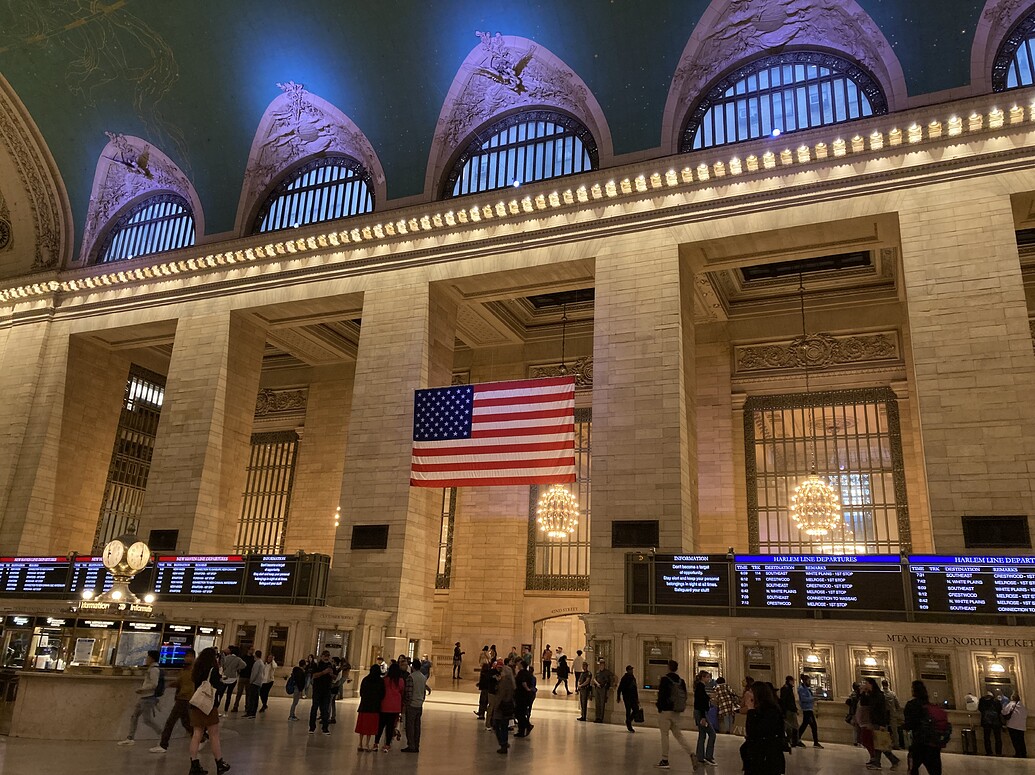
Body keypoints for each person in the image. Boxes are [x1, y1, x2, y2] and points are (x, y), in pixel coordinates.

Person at [187, 647, 231, 775]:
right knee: (214, 734)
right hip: (209, 706)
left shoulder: (196, 670)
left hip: (196, 704)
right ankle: (219, 762)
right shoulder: (213, 670)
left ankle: (194, 764)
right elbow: (218, 686)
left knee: (197, 734)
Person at [152, 649, 195, 753]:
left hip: (186, 699)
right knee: (186, 722)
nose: (187, 658)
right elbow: (180, 682)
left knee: (170, 722)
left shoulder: (195, 670)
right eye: (186, 656)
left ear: (194, 657)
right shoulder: (184, 669)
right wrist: (171, 684)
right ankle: (201, 738)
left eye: (190, 656)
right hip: (181, 698)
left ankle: (163, 745)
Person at [118, 649, 165, 745]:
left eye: (148, 657)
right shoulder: (151, 669)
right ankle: (130, 737)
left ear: (152, 659)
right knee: (134, 716)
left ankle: (163, 734)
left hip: (148, 697)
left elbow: (154, 684)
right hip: (144, 697)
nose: (146, 659)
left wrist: (143, 689)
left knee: (147, 720)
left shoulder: (154, 670)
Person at [740, 680, 786, 775]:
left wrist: (751, 710)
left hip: (766, 758)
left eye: (751, 692)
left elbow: (755, 731)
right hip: (757, 757)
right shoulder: (758, 710)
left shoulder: (771, 711)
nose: (748, 694)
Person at [655, 659, 694, 769]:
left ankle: (665, 759)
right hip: (676, 712)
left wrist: (659, 707)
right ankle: (691, 752)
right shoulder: (681, 681)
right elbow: (685, 696)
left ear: (668, 667)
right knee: (678, 735)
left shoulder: (665, 679)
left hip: (665, 711)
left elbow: (661, 695)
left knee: (665, 735)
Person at [855, 676, 900, 770]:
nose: (864, 685)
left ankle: (889, 761)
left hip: (878, 722)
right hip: (874, 722)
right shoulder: (872, 694)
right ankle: (880, 762)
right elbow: (863, 703)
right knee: (878, 743)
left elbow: (881, 710)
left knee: (879, 743)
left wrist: (882, 724)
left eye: (866, 683)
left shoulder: (878, 695)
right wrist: (862, 693)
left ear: (870, 684)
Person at [902, 679, 943, 775]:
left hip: (919, 743)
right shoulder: (930, 705)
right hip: (933, 744)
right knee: (935, 771)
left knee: (913, 769)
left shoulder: (912, 705)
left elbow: (909, 724)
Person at [401, 655, 430, 753]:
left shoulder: (411, 677)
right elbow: (423, 691)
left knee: (410, 726)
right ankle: (416, 745)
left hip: (412, 705)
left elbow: (409, 692)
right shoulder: (423, 678)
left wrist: (406, 704)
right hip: (419, 705)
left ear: (413, 667)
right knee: (417, 727)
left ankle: (411, 745)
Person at [375, 660, 405, 752]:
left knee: (380, 726)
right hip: (395, 707)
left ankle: (376, 743)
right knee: (390, 727)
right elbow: (401, 691)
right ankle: (387, 744)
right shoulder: (400, 681)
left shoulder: (385, 680)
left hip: (384, 705)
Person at [355, 665, 385, 753]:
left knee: (362, 725)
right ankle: (367, 744)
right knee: (370, 726)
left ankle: (360, 743)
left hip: (364, 706)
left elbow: (361, 692)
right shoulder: (380, 681)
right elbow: (382, 694)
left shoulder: (365, 679)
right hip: (374, 707)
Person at [492, 658, 516, 754]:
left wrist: (496, 707)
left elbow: (500, 696)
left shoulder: (504, 682)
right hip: (508, 706)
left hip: (501, 707)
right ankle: (504, 743)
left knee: (497, 726)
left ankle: (503, 744)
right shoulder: (511, 682)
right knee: (505, 727)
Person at [694, 670, 717, 766]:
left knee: (702, 734)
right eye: (707, 677)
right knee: (712, 734)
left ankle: (700, 756)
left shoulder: (700, 687)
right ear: (703, 677)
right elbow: (701, 703)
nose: (709, 679)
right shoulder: (700, 687)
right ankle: (708, 756)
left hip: (699, 712)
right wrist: (703, 717)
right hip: (701, 713)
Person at [308, 650, 334, 735]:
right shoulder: (317, 665)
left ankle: (325, 728)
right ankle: (312, 727)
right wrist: (323, 672)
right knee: (314, 708)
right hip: (317, 690)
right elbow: (314, 675)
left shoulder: (331, 666)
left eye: (328, 656)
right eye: (325, 656)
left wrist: (331, 674)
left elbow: (335, 677)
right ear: (322, 656)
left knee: (325, 709)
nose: (326, 658)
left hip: (327, 690)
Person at [215, 646, 245, 715]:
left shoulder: (226, 658)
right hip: (233, 678)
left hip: (225, 677)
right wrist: (236, 668)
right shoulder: (238, 659)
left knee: (221, 694)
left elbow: (221, 665)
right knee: (229, 695)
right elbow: (244, 665)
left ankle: (217, 708)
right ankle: (226, 710)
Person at [797, 674, 822, 747]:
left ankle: (798, 738)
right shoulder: (801, 689)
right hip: (806, 709)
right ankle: (815, 742)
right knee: (811, 725)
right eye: (808, 681)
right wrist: (812, 699)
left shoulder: (807, 689)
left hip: (809, 708)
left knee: (808, 725)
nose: (809, 682)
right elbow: (803, 699)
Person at [514, 660, 537, 738]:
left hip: (521, 696)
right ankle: (522, 730)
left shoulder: (522, 673)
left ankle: (526, 726)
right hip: (526, 696)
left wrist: (527, 689)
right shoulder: (528, 673)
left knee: (519, 712)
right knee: (522, 713)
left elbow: (523, 682)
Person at [978, 690, 1004, 756]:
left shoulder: (982, 701)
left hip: (986, 721)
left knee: (986, 737)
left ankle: (989, 751)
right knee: (997, 738)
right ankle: (998, 752)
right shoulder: (996, 701)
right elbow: (999, 710)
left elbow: (980, 709)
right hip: (996, 721)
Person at [1003, 692, 1028, 758]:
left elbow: (1004, 712)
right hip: (1021, 726)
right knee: (1021, 740)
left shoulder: (1011, 704)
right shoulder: (1022, 705)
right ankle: (1023, 753)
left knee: (1015, 740)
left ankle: (1018, 753)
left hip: (1012, 725)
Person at [616, 664, 639, 732]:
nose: (632, 671)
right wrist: (618, 696)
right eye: (630, 669)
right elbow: (620, 688)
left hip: (633, 697)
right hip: (627, 697)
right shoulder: (625, 678)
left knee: (636, 709)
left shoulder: (633, 677)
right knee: (628, 710)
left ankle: (628, 720)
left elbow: (635, 689)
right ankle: (629, 725)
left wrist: (637, 698)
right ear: (628, 670)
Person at [230, 646, 254, 713]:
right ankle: (235, 706)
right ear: (248, 650)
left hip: (249, 677)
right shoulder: (243, 657)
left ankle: (247, 707)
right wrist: (239, 672)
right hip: (242, 676)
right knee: (239, 692)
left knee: (248, 693)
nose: (252, 651)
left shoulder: (253, 658)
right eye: (251, 649)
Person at [779, 675, 799, 747]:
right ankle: (793, 741)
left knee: (791, 726)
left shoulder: (788, 688)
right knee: (792, 726)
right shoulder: (786, 689)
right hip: (789, 710)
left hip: (790, 709)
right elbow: (785, 701)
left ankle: (793, 740)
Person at [883, 679, 903, 749]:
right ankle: (896, 744)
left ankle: (885, 744)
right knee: (894, 730)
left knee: (884, 730)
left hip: (884, 714)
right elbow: (897, 704)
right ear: (888, 685)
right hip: (892, 713)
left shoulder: (881, 693)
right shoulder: (892, 694)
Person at [243, 649, 263, 718]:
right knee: (255, 698)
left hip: (255, 682)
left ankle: (251, 712)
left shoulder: (257, 663)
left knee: (252, 698)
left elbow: (255, 673)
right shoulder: (261, 662)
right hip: (258, 682)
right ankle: (252, 712)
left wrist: (251, 681)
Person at [593, 658, 614, 723]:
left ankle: (601, 718)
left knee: (602, 704)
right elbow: (594, 679)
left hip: (603, 689)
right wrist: (597, 684)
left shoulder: (607, 672)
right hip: (597, 688)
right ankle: (597, 717)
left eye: (602, 664)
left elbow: (612, 677)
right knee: (597, 703)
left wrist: (613, 684)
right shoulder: (597, 671)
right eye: (600, 664)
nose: (601, 666)